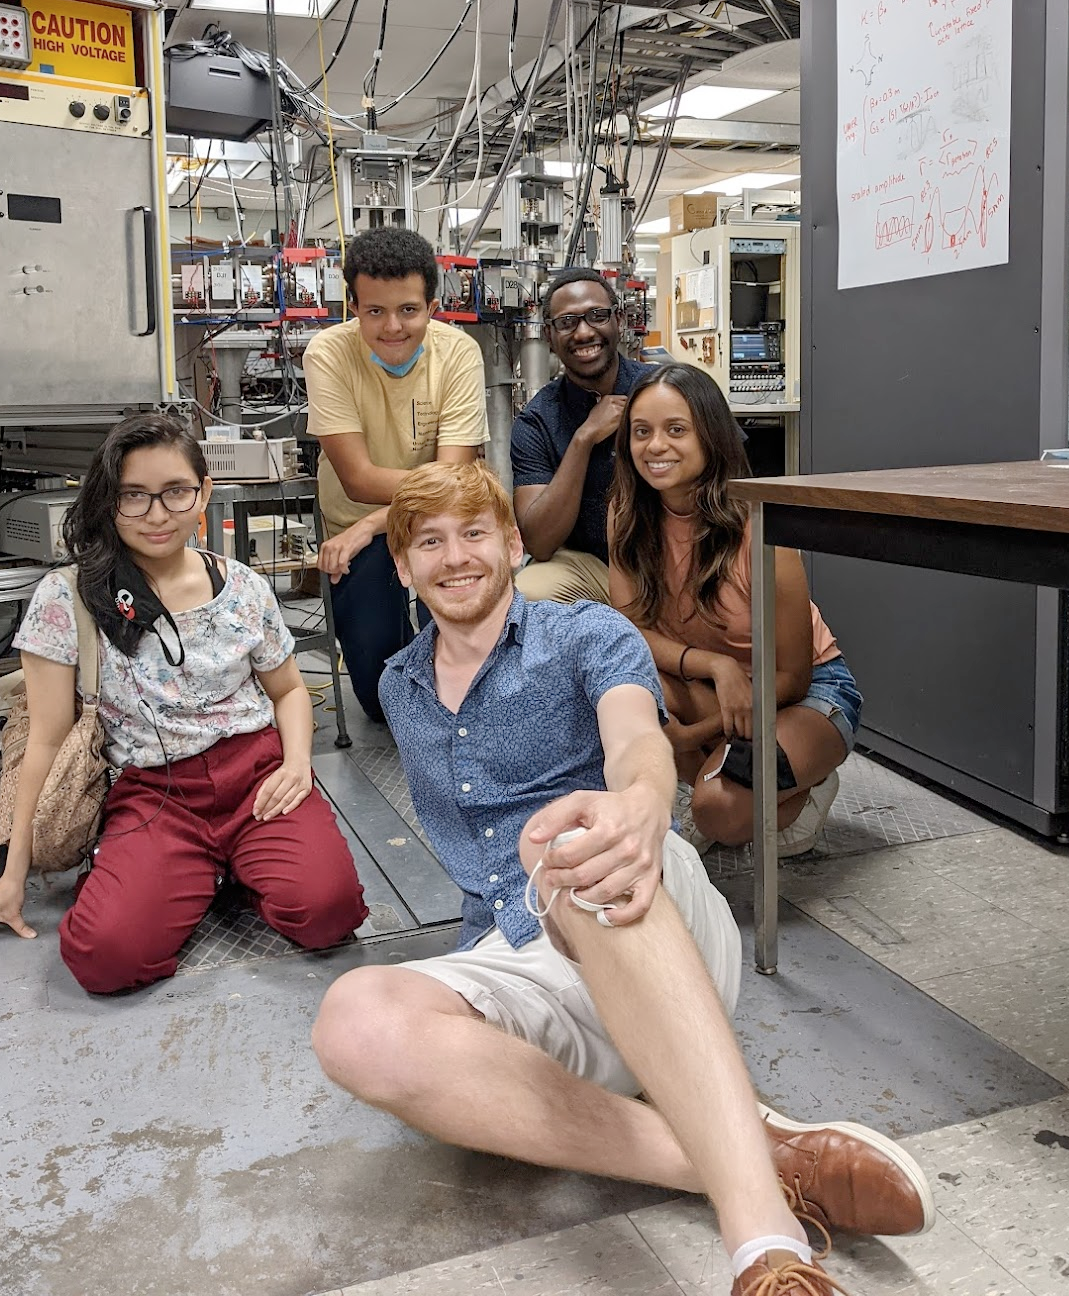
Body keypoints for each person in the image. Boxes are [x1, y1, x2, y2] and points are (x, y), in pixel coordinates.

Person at [312, 461, 930, 1296]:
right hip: (524, 959)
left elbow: (635, 738)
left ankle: (764, 1244)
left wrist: (641, 802)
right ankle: (752, 1155)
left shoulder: (586, 635)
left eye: (474, 533)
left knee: (568, 841)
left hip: (639, 904)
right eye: (429, 541)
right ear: (401, 561)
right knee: (352, 1019)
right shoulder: (400, 685)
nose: (455, 557)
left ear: (513, 542)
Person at [0, 414, 367, 992]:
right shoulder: (69, 598)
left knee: (327, 914)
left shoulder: (243, 588)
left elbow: (290, 690)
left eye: (175, 493)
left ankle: (238, 867)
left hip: (257, 778)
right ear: (107, 501)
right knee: (104, 957)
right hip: (153, 792)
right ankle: (200, 871)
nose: (157, 514)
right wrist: (14, 873)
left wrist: (296, 765)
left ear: (204, 493)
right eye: (133, 496)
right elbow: (44, 740)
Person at [609, 364, 861, 857]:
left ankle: (804, 784)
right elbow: (630, 628)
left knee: (717, 809)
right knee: (621, 691)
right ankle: (740, 772)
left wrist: (691, 736)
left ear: (711, 434)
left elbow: (793, 676)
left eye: (676, 429)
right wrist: (716, 666)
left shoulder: (760, 522)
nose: (655, 446)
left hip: (803, 697)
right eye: (642, 432)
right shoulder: (626, 512)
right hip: (711, 687)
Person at [305, 226, 489, 722]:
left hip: (439, 526)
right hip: (357, 533)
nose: (393, 327)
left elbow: (454, 483)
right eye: (375, 311)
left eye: (408, 309)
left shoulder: (459, 353)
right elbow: (358, 480)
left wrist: (373, 520)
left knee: (470, 665)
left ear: (431, 305)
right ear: (354, 306)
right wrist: (367, 527)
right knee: (382, 699)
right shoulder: (327, 354)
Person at [511, 268, 648, 604]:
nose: (584, 332)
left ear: (619, 319)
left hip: (675, 559)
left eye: (597, 316)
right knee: (530, 593)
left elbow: (730, 479)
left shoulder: (668, 389)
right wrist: (583, 438)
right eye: (567, 322)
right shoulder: (538, 422)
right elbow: (539, 543)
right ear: (548, 334)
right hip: (593, 569)